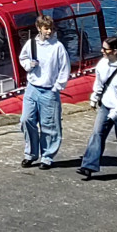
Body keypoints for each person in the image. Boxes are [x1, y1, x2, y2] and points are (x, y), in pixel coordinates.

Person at [78, 35, 117, 179]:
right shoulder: (102, 64)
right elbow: (99, 83)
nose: (102, 51)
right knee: (97, 134)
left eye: (105, 49)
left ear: (115, 51)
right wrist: (95, 97)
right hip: (106, 105)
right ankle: (88, 166)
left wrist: (116, 113)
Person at [17, 12, 70, 167]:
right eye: (46, 28)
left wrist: (57, 87)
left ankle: (47, 156)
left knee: (50, 125)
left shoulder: (58, 47)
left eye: (50, 28)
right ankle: (31, 153)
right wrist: (29, 65)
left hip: (49, 90)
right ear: (39, 28)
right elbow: (23, 58)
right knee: (26, 120)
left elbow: (64, 68)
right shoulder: (31, 44)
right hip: (32, 88)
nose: (49, 31)